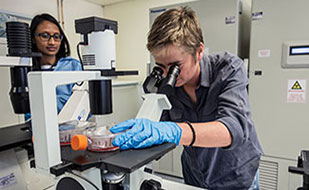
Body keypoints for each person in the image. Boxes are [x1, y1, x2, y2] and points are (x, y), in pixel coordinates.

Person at [110, 7, 263, 190]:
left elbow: (234, 129)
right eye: (160, 66)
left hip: (236, 176)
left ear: (199, 51)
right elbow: (158, 134)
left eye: (175, 66)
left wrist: (174, 130)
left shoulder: (228, 69)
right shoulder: (164, 84)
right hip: (195, 175)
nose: (167, 74)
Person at [25, 13, 81, 121]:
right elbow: (28, 112)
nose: (52, 42)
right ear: (33, 38)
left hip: (72, 128)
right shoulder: (26, 70)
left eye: (56, 37)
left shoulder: (73, 66)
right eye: (45, 36)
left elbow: (82, 105)